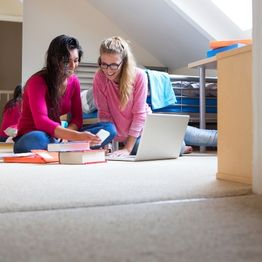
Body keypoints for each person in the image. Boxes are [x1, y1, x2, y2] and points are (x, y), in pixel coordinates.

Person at [93, 36, 217, 156]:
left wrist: (127, 149)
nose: (108, 70)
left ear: (124, 62)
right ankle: (180, 147)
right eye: (104, 64)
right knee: (177, 146)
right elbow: (104, 114)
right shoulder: (99, 78)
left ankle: (234, 138)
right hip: (135, 138)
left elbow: (139, 115)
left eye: (114, 65)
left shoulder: (139, 76)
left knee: (208, 137)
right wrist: (106, 142)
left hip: (151, 125)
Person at [13, 34, 116, 153]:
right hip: (32, 135)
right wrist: (76, 136)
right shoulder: (37, 82)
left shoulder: (74, 81)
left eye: (76, 60)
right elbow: (41, 122)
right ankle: (72, 146)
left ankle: (63, 146)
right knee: (39, 138)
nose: (73, 66)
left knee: (109, 129)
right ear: (54, 60)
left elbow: (77, 119)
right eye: (67, 61)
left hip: (58, 136)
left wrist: (68, 134)